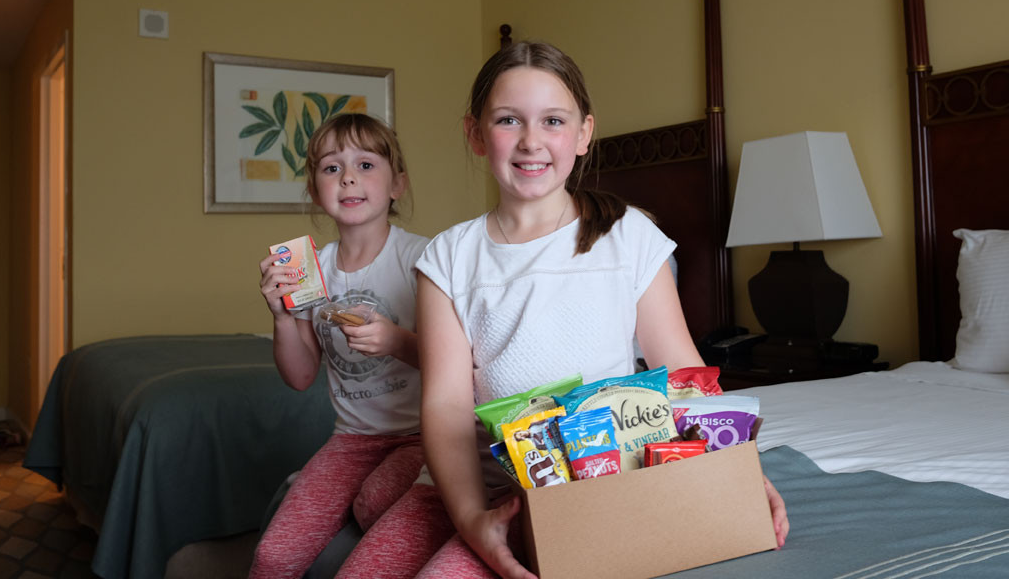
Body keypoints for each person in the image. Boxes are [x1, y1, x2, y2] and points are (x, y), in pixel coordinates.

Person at [336, 42, 789, 579]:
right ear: (476, 134)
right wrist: (472, 518)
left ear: (582, 133)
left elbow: (684, 378)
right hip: (480, 484)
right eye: (508, 120)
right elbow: (447, 407)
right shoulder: (448, 257)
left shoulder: (629, 237)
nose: (531, 141)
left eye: (552, 120)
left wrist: (741, 472)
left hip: (594, 486)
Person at [250, 113, 431, 579]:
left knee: (374, 501)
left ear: (397, 184)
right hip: (353, 439)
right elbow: (300, 376)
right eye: (332, 168)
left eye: (366, 165)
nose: (348, 176)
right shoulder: (312, 270)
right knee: (272, 558)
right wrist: (282, 316)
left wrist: (395, 340)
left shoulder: (423, 258)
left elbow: (462, 363)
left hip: (424, 436)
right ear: (316, 191)